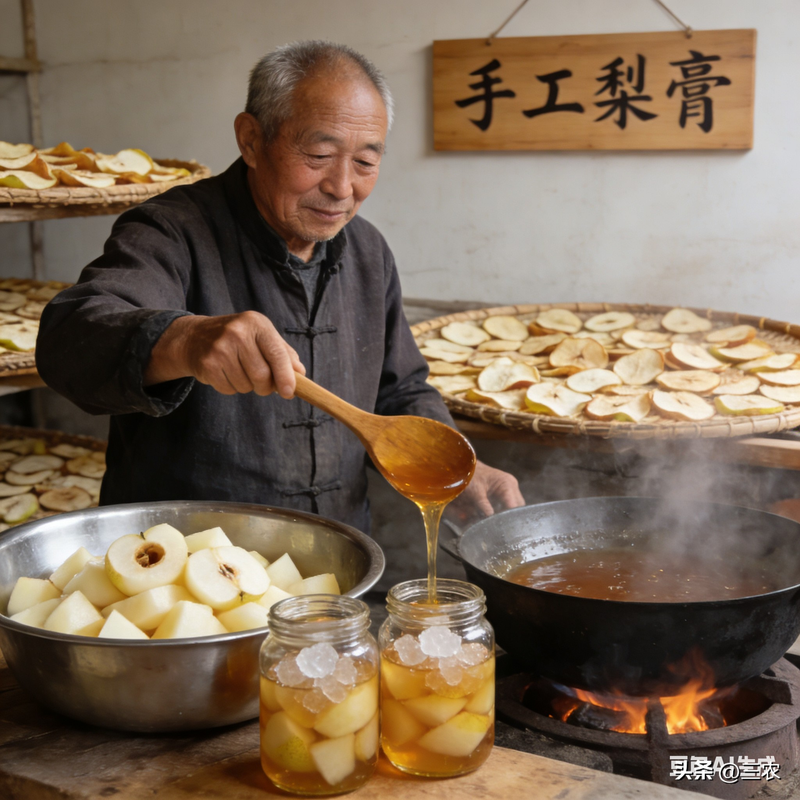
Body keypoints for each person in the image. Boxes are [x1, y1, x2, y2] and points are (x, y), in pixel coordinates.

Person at [36, 40, 523, 533]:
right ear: (250, 139)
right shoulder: (170, 230)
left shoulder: (368, 250)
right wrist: (184, 340)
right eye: (318, 154)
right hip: (186, 572)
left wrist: (458, 469)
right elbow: (68, 338)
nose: (341, 186)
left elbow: (399, 391)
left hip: (337, 564)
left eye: (365, 162)